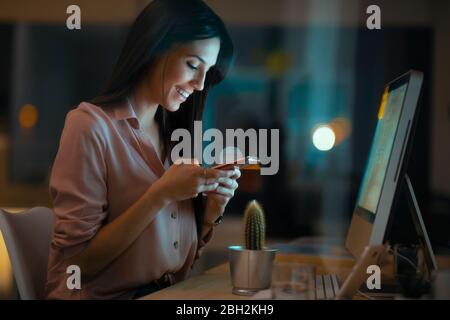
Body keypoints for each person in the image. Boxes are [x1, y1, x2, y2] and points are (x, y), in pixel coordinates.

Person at [45, 0, 239, 299]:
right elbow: (76, 264)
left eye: (207, 71)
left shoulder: (175, 138)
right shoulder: (89, 126)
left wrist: (212, 209)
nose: (200, 84)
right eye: (192, 65)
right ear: (155, 48)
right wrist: (161, 193)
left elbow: (176, 267)